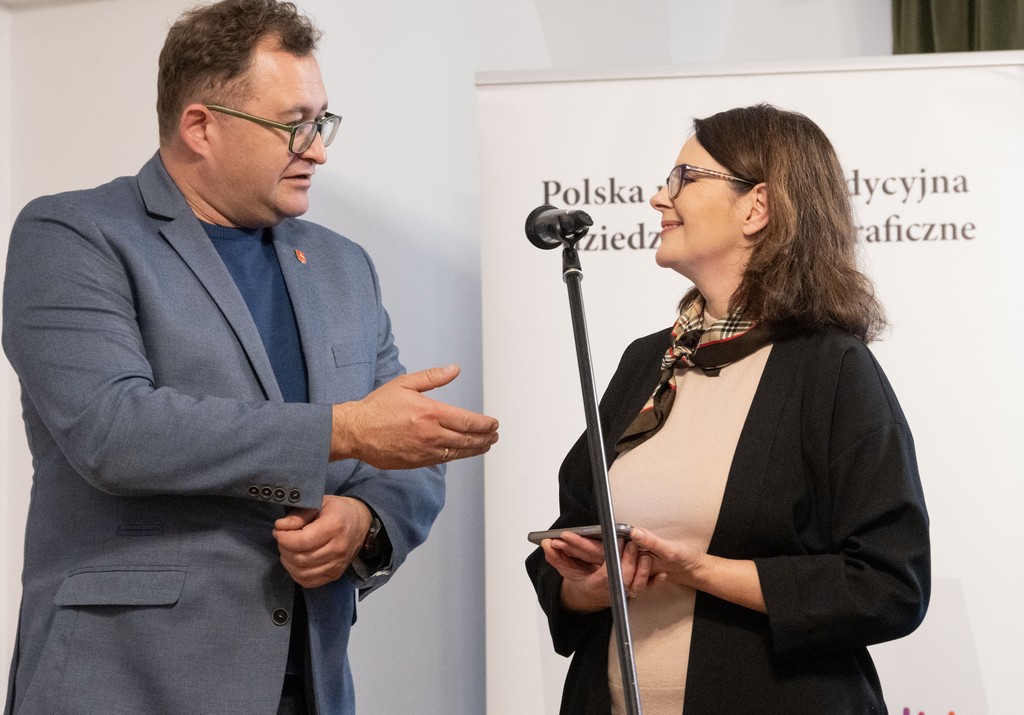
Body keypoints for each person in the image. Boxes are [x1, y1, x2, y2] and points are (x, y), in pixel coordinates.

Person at [1, 1, 498, 713]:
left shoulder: (343, 266)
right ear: (200, 126)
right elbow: (113, 430)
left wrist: (364, 523)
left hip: (309, 682)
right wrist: (342, 432)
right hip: (127, 681)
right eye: (294, 124)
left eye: (322, 122)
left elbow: (403, 447)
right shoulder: (73, 234)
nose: (318, 150)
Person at [526, 104, 930, 714]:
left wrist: (703, 571)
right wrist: (587, 588)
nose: (659, 197)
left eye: (683, 178)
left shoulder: (831, 367)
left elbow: (889, 584)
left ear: (756, 207)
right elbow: (566, 539)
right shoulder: (646, 361)